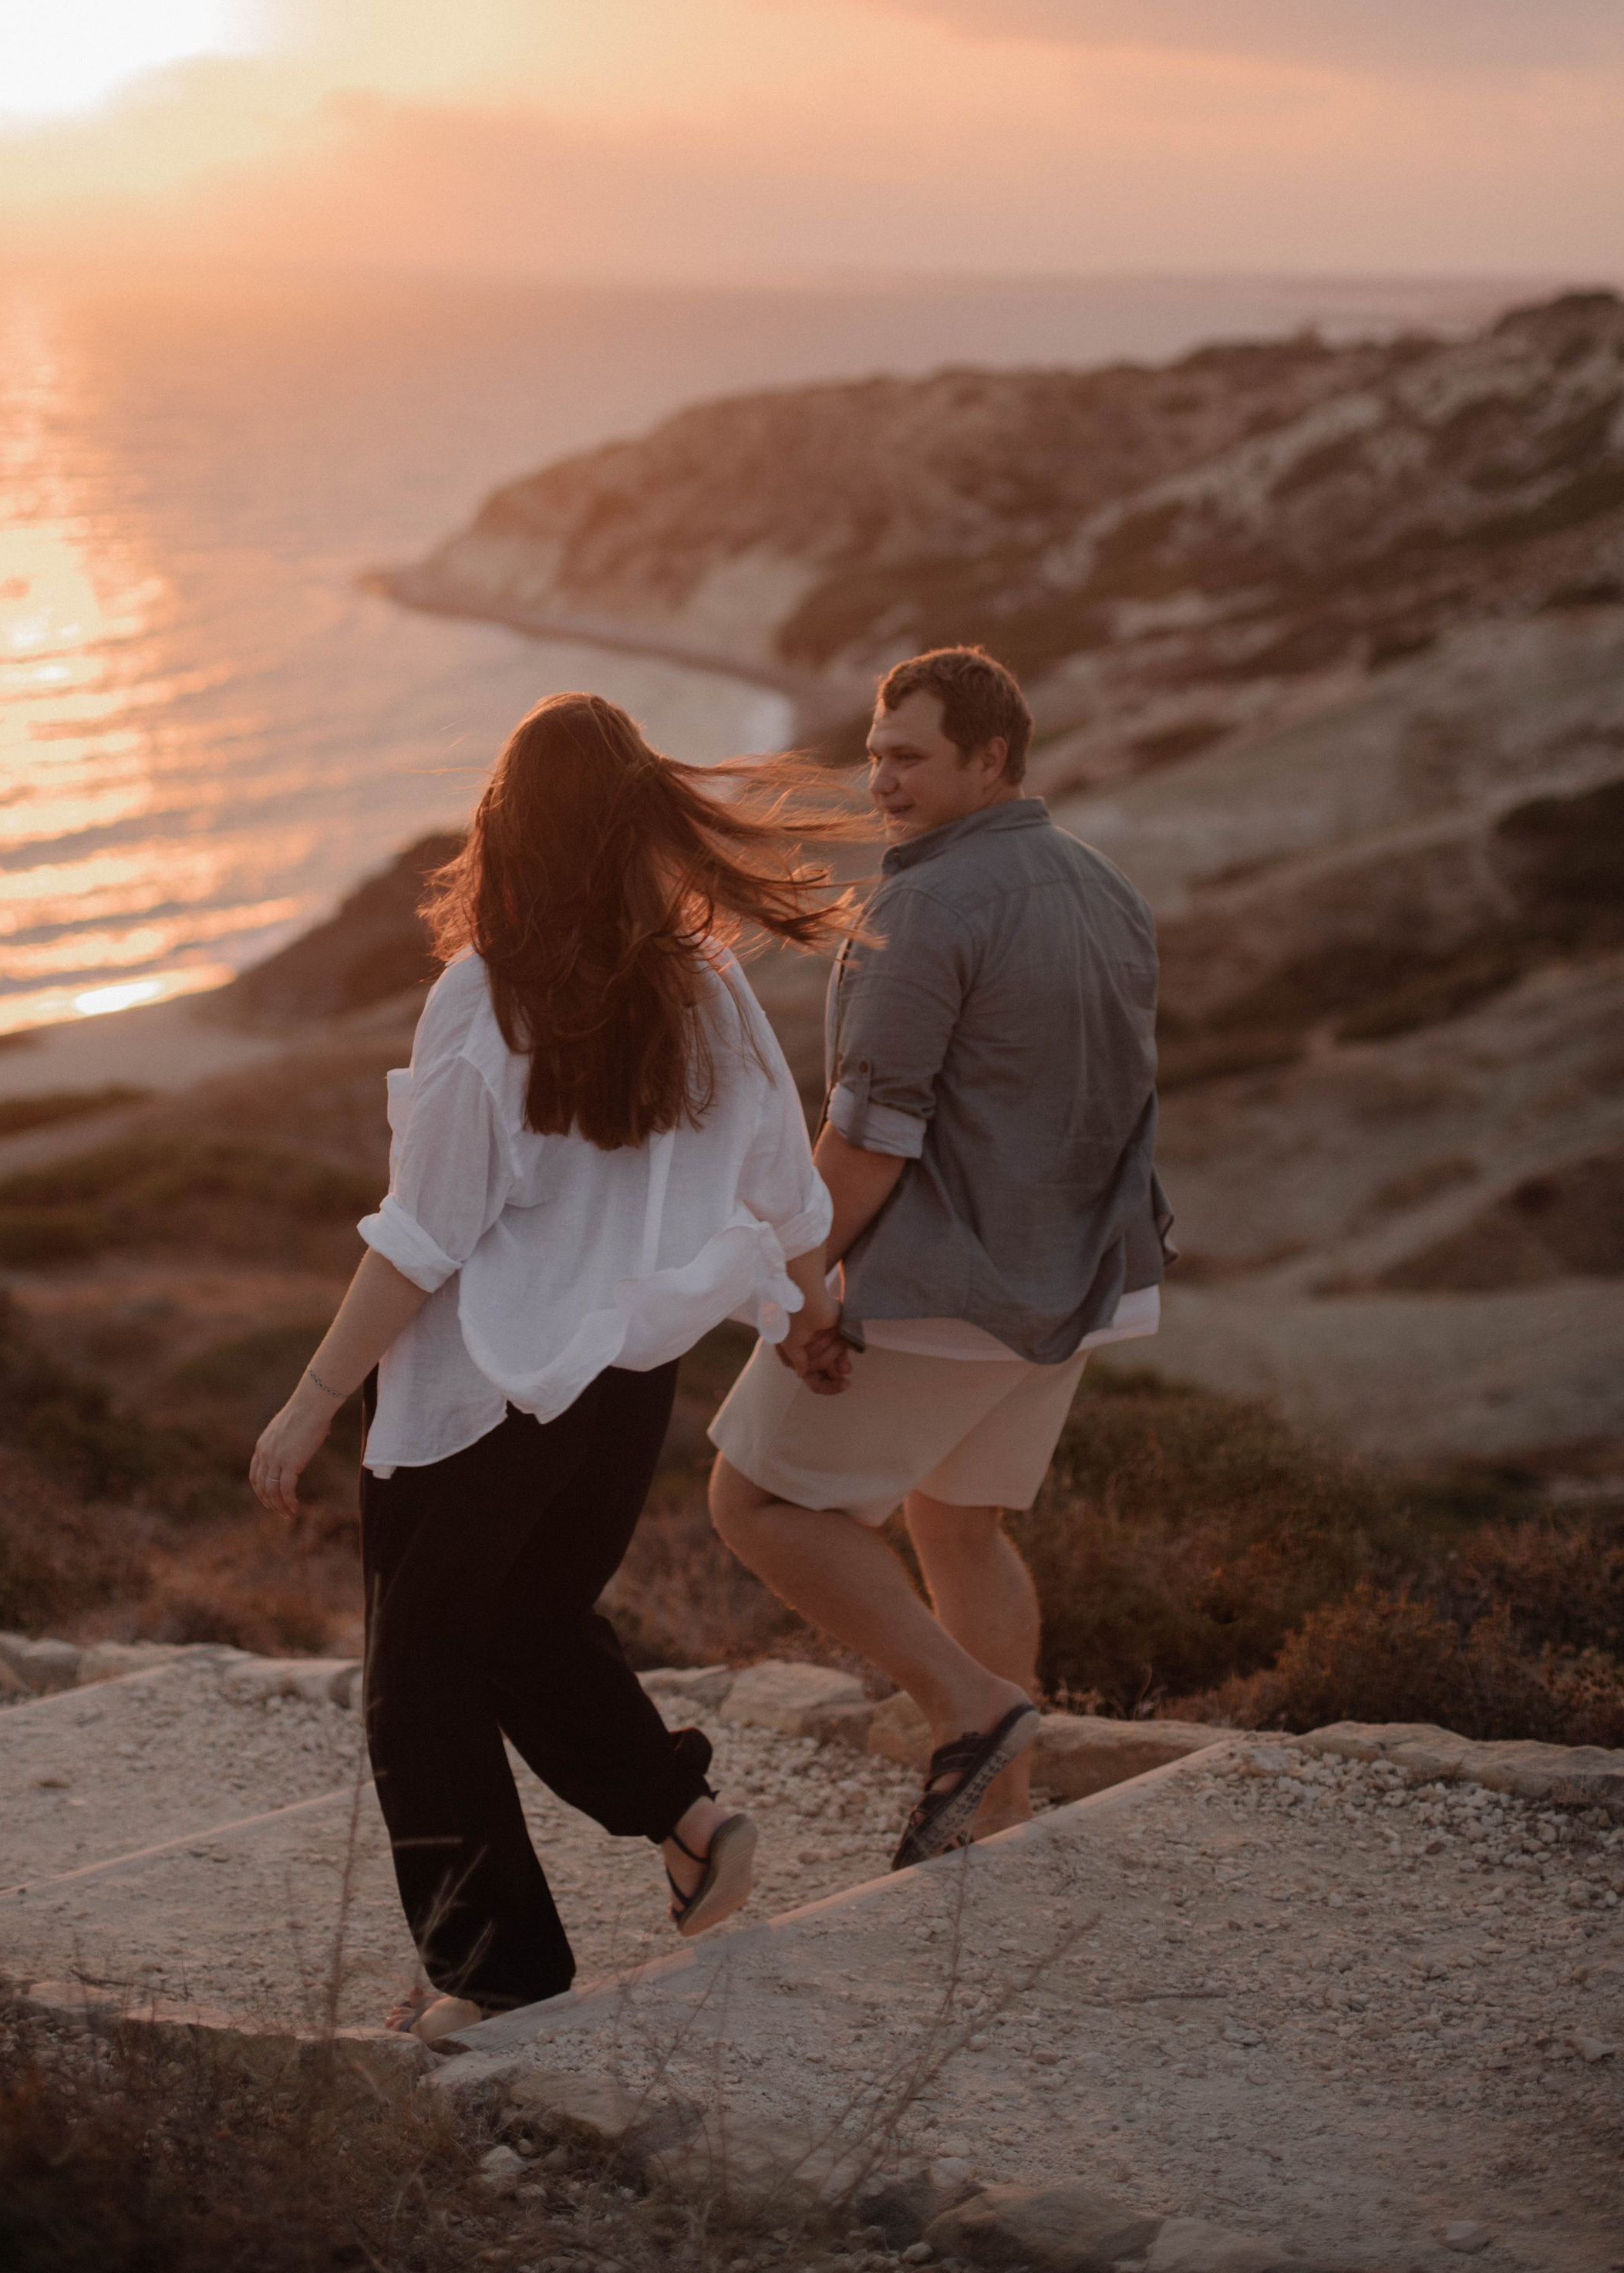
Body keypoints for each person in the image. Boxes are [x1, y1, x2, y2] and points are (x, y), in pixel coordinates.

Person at [250, 693, 852, 2046]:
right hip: (624, 1391)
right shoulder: (707, 979)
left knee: (421, 1676)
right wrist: (811, 1314)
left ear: (507, 829)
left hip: (486, 1397)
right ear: (639, 825)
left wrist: (311, 1398)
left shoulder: (488, 997)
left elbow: (422, 1237)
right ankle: (688, 1827)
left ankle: (499, 1972)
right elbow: (784, 1180)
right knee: (524, 1630)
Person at [708, 644, 1171, 1871]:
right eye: (873, 755)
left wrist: (794, 1293)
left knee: (753, 1500)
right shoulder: (1106, 888)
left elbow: (867, 1141)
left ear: (991, 759)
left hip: (946, 1290)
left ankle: (971, 1713)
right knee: (958, 1526)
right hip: (1080, 1277)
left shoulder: (921, 907)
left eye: (909, 759)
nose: (882, 783)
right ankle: (1002, 1820)